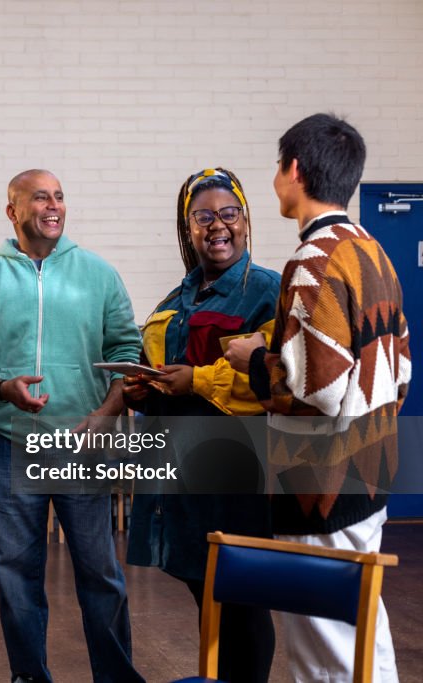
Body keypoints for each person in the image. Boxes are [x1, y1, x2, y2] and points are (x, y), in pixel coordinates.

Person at [227, 113, 411, 682]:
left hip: (320, 485)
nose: (275, 180)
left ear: (296, 170)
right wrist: (282, 345)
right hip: (371, 470)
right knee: (362, 631)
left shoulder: (312, 261)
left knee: (322, 650)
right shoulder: (371, 249)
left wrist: (253, 360)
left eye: (278, 167)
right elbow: (396, 370)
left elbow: (320, 392)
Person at [0, 169, 144, 683]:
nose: (53, 205)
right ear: (12, 211)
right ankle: (29, 677)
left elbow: (127, 353)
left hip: (82, 441)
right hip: (7, 443)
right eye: (40, 197)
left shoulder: (98, 274)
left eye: (59, 196)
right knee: (17, 579)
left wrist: (105, 417)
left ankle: (117, 677)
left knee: (101, 575)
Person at [123, 168, 279, 683]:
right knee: (206, 593)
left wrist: (197, 380)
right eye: (204, 216)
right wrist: (145, 387)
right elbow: (163, 374)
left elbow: (278, 381)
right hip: (179, 479)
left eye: (228, 213)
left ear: (246, 220)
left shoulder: (269, 293)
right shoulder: (174, 302)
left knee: (243, 603)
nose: (218, 225)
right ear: (187, 228)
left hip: (237, 478)